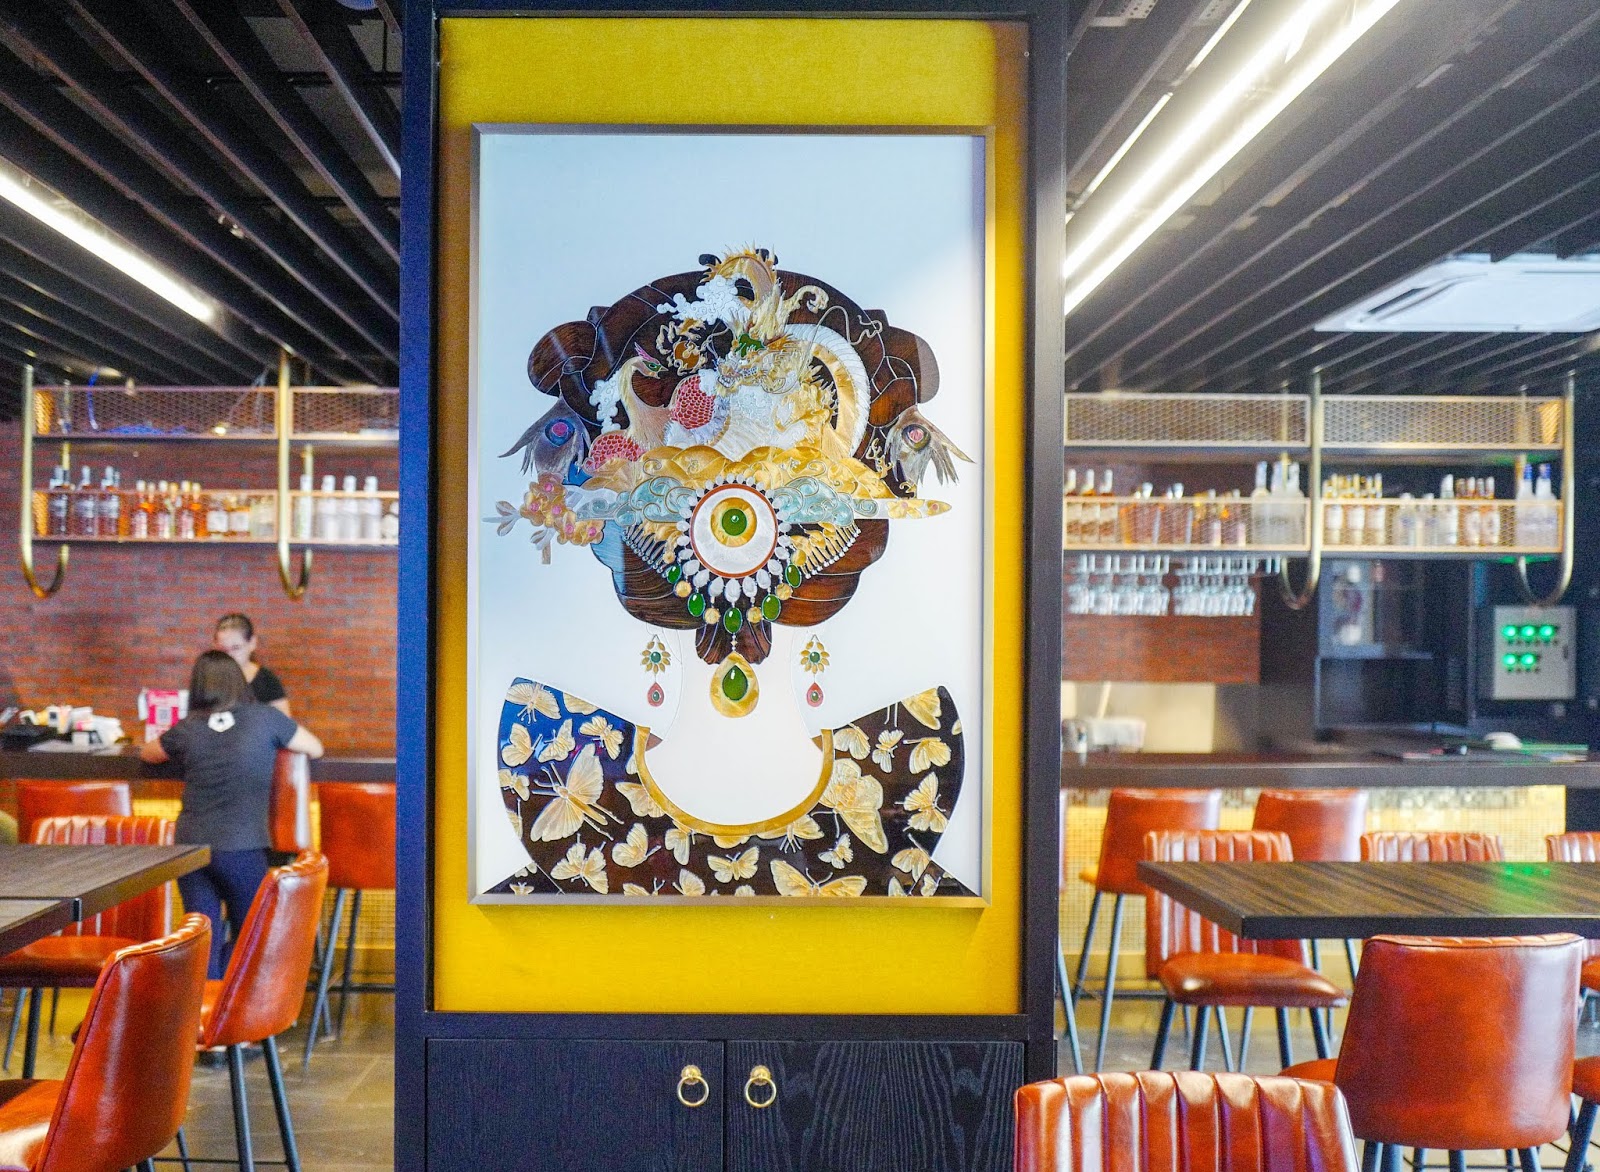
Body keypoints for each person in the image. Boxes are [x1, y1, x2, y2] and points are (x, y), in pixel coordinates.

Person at [141, 650, 323, 977]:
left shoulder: (187, 728)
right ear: (239, 681)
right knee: (251, 936)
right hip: (242, 845)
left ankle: (205, 1002)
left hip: (190, 848)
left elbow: (148, 752)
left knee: (201, 939)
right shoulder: (266, 719)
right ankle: (230, 999)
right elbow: (315, 747)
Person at [213, 613, 291, 715]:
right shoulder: (209, 679)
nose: (230, 655)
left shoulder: (267, 681)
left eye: (236, 648)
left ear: (252, 643)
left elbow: (283, 719)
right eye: (224, 649)